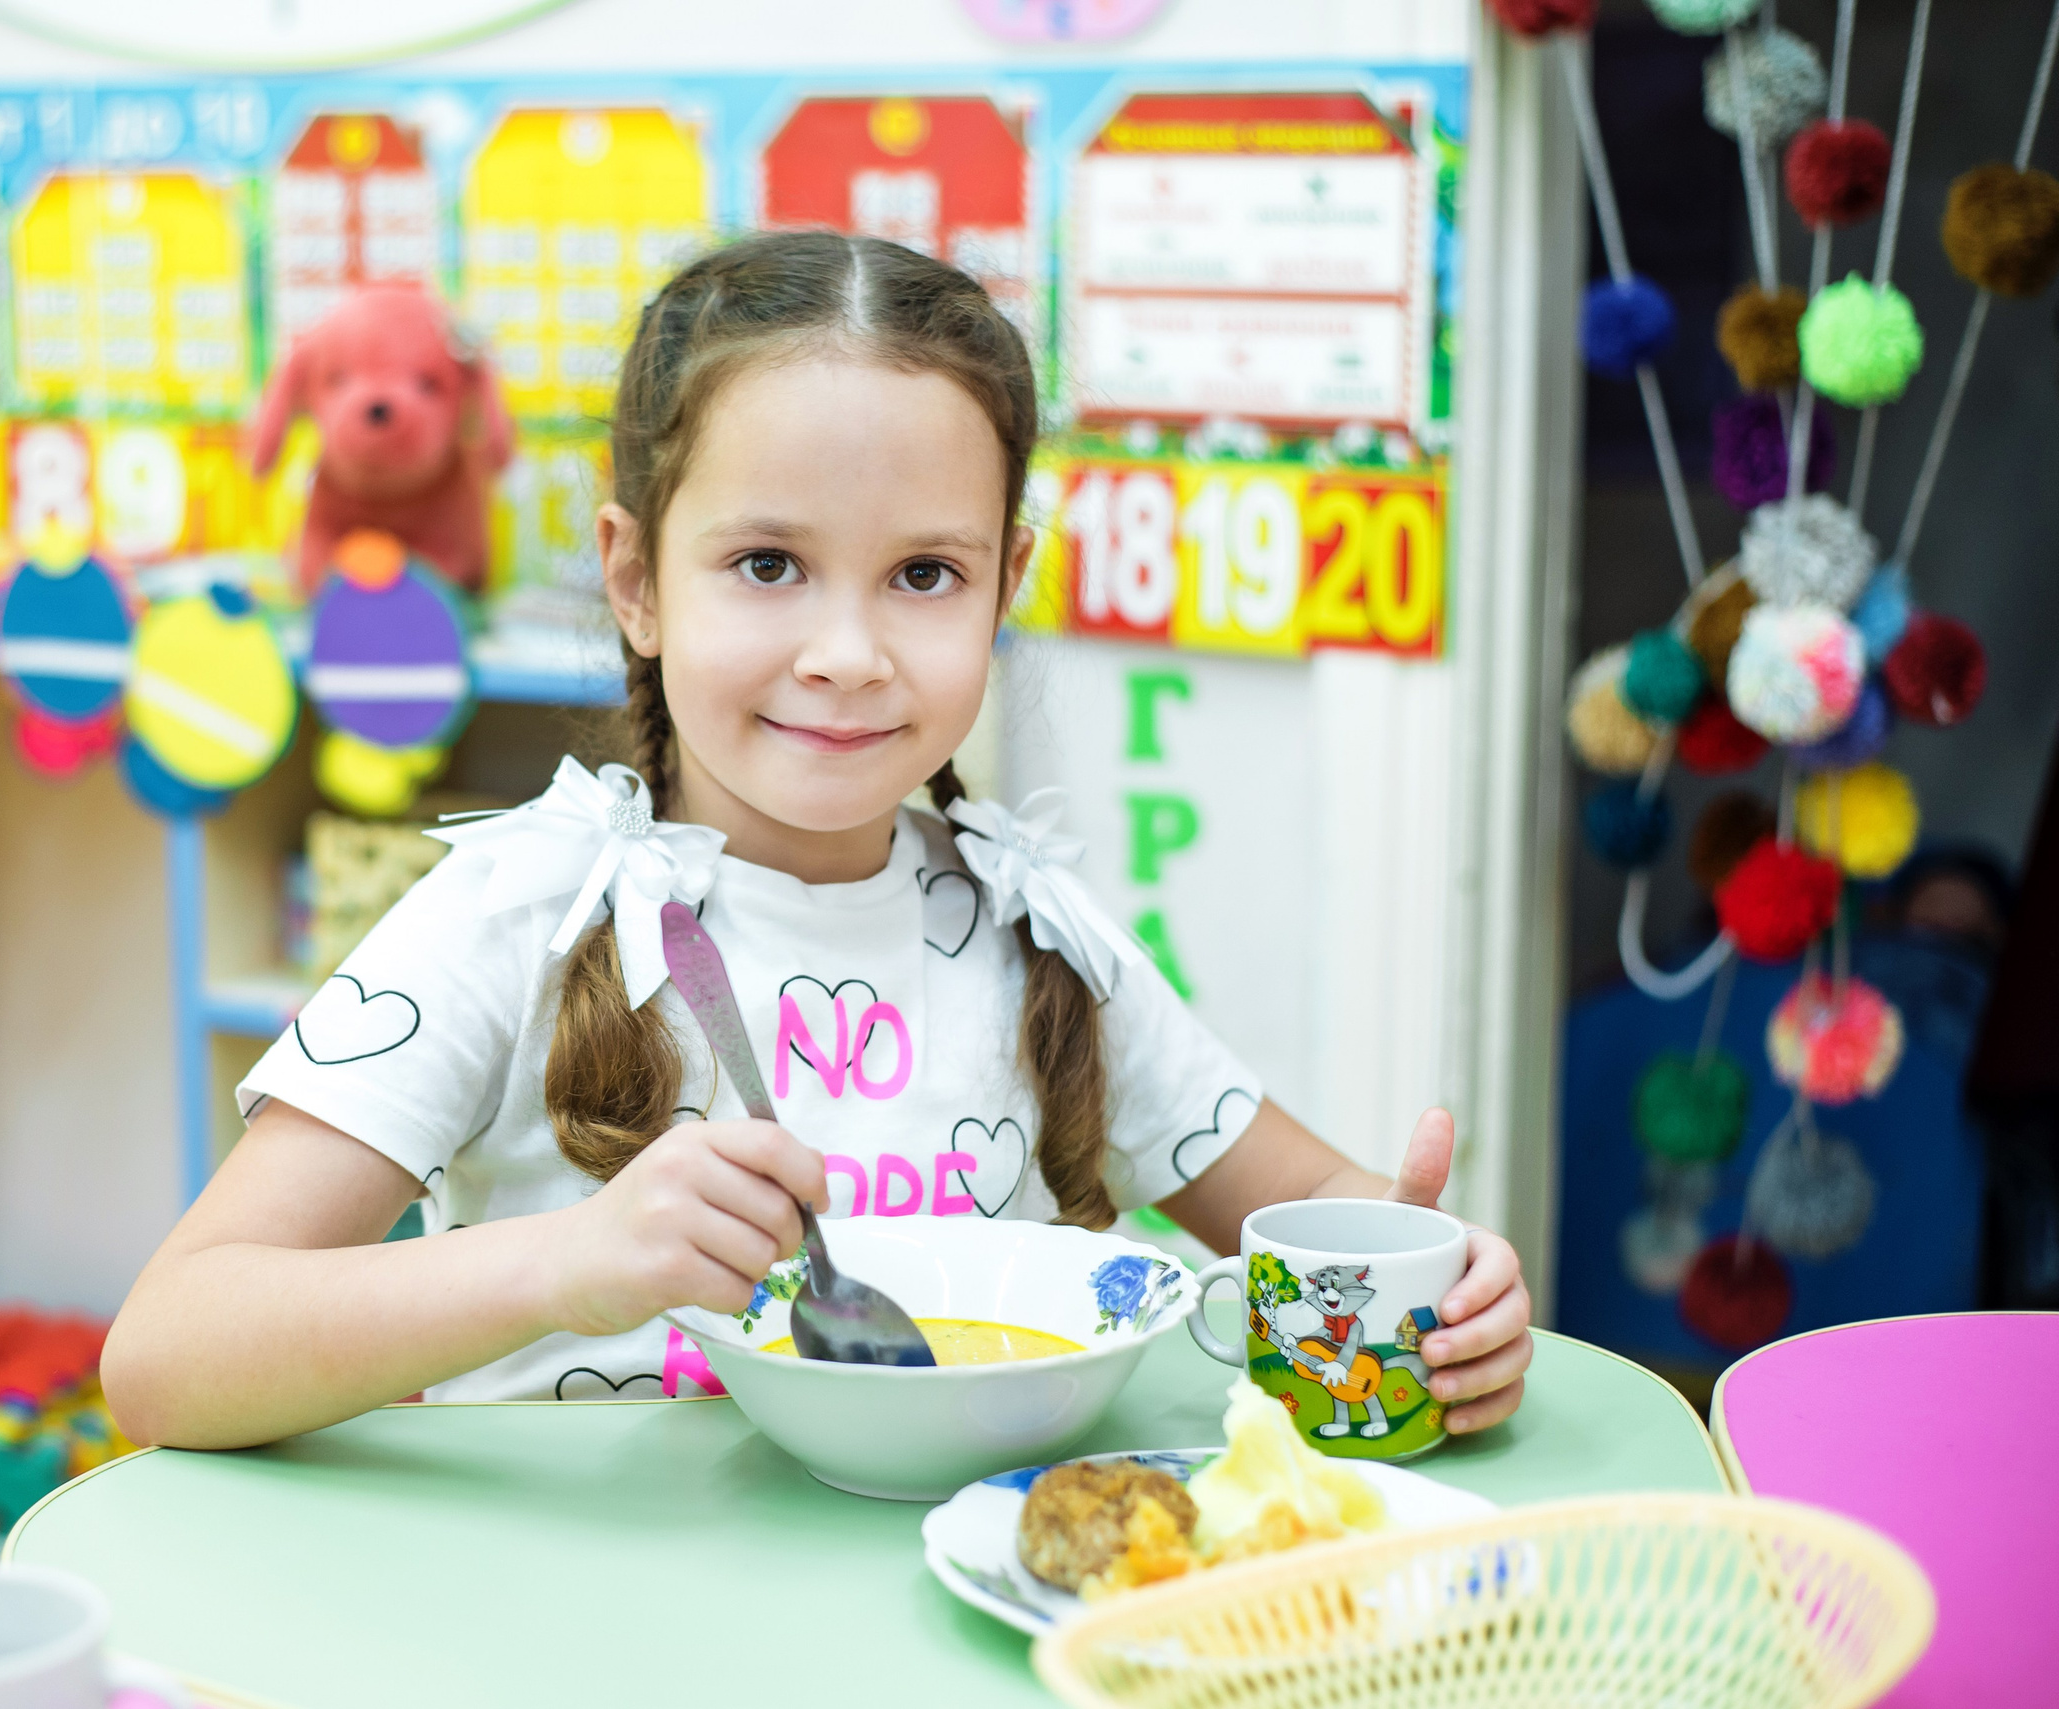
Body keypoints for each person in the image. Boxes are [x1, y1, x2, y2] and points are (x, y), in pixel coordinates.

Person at [102, 233, 1533, 1447]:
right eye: (768, 563)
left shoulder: (1036, 934)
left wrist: (1434, 1279)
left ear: (1005, 584)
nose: (846, 651)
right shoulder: (515, 913)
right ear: (635, 579)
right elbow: (166, 1354)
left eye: (924, 573)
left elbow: (1314, 1202)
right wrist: (564, 1264)